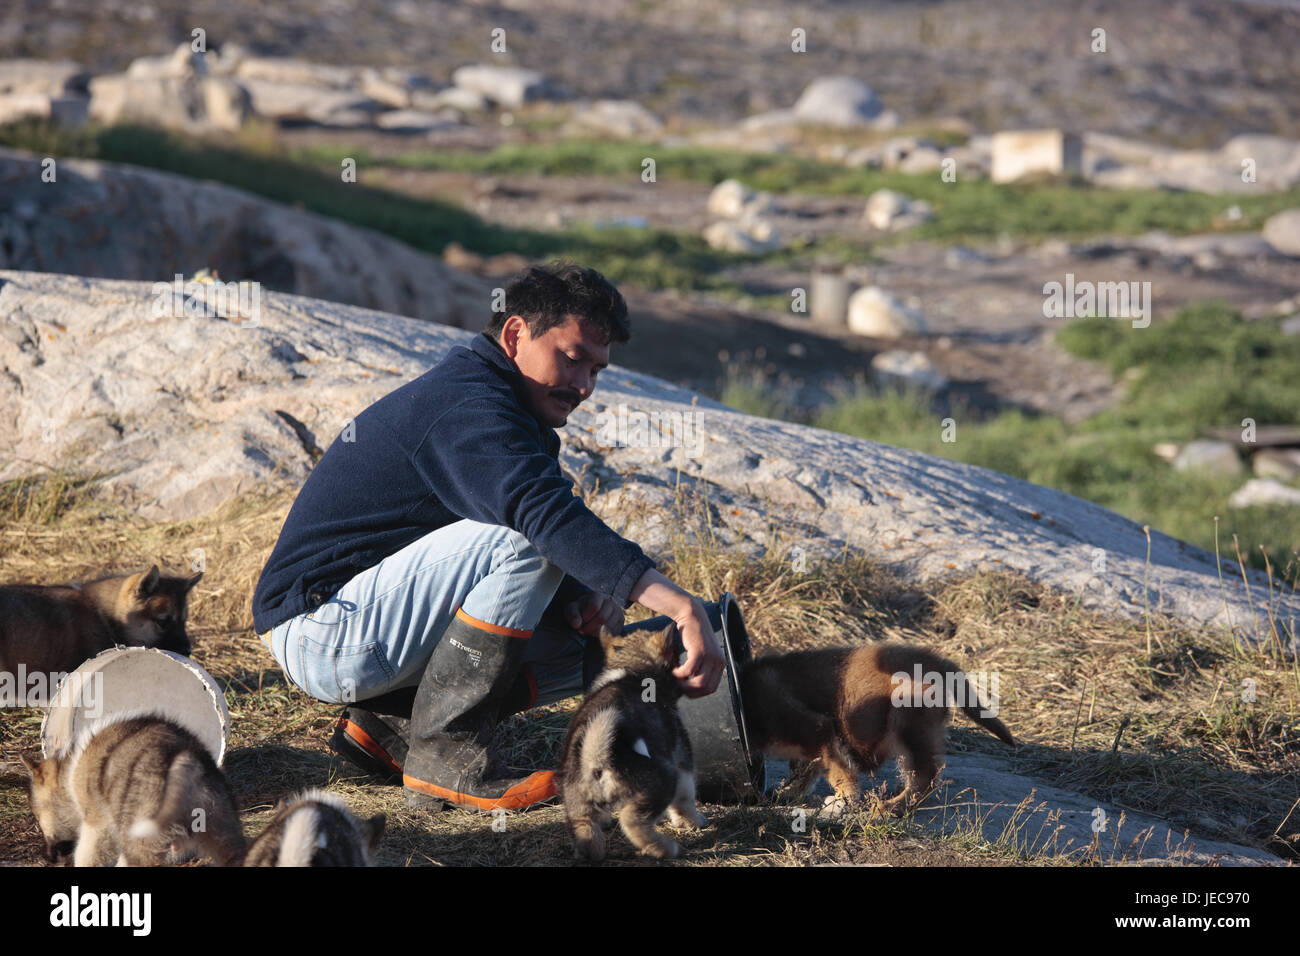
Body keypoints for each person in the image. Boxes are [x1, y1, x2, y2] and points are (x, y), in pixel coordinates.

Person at [250, 261, 724, 811]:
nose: (584, 386)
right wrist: (680, 605)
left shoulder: (512, 413)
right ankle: (446, 755)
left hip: (365, 626)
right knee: (526, 541)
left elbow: (517, 529)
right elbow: (538, 517)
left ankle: (389, 729)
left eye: (597, 370)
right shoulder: (468, 406)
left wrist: (586, 598)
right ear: (516, 334)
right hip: (323, 632)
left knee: (589, 633)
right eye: (572, 359)